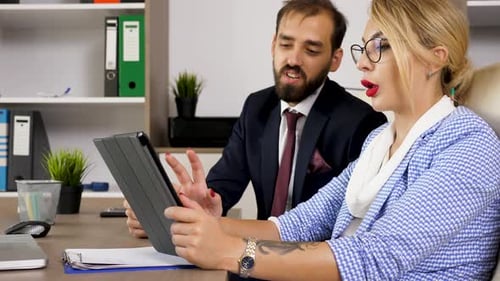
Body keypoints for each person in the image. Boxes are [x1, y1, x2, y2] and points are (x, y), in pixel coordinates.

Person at [162, 0, 500, 280]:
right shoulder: (380, 144)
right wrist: (206, 227)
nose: (363, 64)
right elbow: (297, 225)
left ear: (434, 58)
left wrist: (234, 253)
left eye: (380, 47)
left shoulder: (469, 146)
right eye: (364, 49)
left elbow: (372, 257)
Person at [126, 0, 386, 235]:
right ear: (273, 45)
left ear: (335, 60)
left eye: (311, 50)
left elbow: (349, 224)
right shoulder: (257, 107)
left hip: (315, 263)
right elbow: (220, 188)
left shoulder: (362, 123)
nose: (293, 59)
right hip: (255, 256)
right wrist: (183, 208)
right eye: (286, 44)